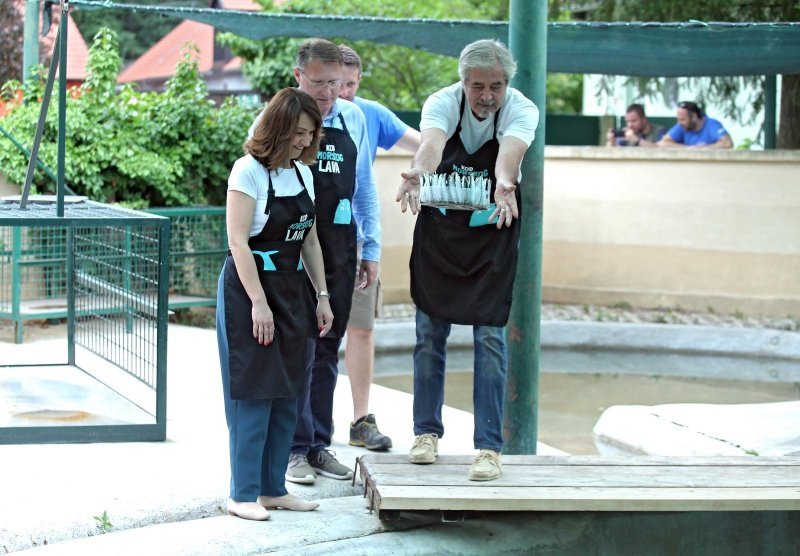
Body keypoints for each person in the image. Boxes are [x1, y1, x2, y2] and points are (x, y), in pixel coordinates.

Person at [396, 39, 539, 482]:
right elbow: (433, 146)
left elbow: (510, 154)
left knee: (491, 343)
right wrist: (419, 171)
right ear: (464, 82)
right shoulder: (441, 103)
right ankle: (425, 434)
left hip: (492, 233)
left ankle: (489, 448)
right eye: (479, 86)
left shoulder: (522, 109)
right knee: (428, 337)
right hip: (440, 236)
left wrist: (503, 182)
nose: (487, 96)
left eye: (496, 86)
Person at [217, 88, 333, 521]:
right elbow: (237, 242)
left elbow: (310, 239)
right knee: (254, 391)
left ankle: (272, 488)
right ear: (279, 127)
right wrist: (258, 304)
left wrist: (322, 296)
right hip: (250, 290)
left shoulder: (303, 174)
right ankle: (242, 494)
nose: (304, 142)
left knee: (288, 392)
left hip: (292, 290)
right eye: (299, 133)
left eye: (310, 134)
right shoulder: (246, 171)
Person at [279, 39, 381, 485]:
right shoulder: (280, 118)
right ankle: (292, 449)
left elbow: (363, 188)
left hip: (340, 247)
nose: (327, 93)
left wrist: (370, 248)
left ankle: (319, 444)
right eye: (318, 83)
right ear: (298, 76)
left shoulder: (354, 118)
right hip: (291, 246)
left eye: (336, 84)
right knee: (295, 348)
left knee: (327, 348)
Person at [338, 44, 421, 452]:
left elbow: (421, 145)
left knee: (362, 326)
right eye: (339, 84)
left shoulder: (369, 113)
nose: (345, 93)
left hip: (358, 238)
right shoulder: (304, 111)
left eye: (351, 85)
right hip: (312, 237)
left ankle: (360, 419)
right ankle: (299, 432)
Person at [658, 101, 733, 148]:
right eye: (678, 119)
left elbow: (727, 143)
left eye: (683, 119)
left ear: (694, 117)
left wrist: (704, 149)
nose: (679, 123)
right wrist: (688, 149)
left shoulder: (711, 124)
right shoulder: (682, 126)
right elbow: (662, 143)